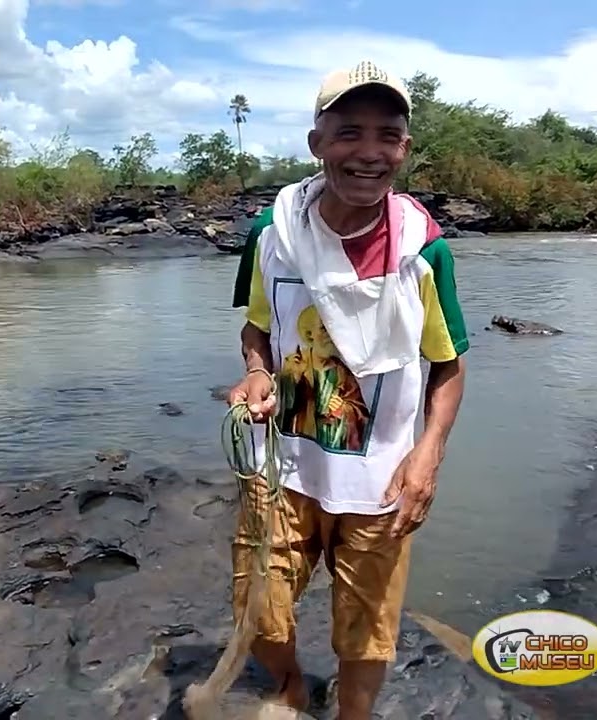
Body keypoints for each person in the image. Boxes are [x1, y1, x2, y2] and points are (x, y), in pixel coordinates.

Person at [224, 60, 469, 720]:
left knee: (366, 635)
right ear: (316, 144)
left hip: (380, 485)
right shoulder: (270, 235)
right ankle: (290, 689)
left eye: (386, 135)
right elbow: (257, 329)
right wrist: (255, 371)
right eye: (348, 133)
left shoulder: (426, 252)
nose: (368, 153)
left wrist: (427, 456)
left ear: (405, 150)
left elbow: (447, 367)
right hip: (279, 472)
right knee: (260, 614)